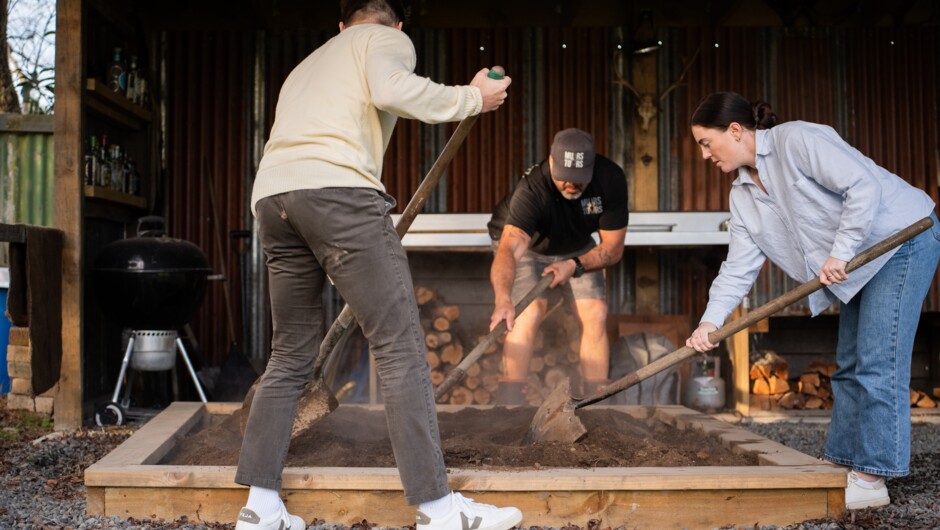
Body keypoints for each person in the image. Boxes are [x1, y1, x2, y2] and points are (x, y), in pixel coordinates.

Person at [234, 1, 521, 530]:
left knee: (290, 352)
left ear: (340, 24)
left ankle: (260, 508)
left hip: (273, 198)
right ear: (398, 25)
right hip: (338, 193)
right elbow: (392, 90)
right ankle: (439, 510)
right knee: (399, 344)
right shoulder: (384, 39)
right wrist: (472, 98)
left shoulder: (307, 64)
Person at [684, 91, 940, 510]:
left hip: (900, 240)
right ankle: (840, 463)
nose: (704, 155)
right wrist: (709, 322)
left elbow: (862, 185)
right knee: (849, 365)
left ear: (735, 130)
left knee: (878, 364)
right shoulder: (742, 195)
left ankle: (872, 478)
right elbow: (738, 268)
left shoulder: (797, 141)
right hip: (857, 261)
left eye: (706, 143)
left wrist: (840, 252)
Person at [487, 128, 629, 405]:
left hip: (577, 246)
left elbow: (612, 249)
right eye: (564, 176)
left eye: (579, 179)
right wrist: (503, 299)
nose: (571, 184)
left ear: (592, 167)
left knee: (596, 312)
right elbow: (510, 249)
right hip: (530, 248)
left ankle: (596, 401)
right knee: (528, 311)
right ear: (551, 162)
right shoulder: (532, 188)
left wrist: (574, 265)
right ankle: (510, 402)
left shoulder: (610, 179)